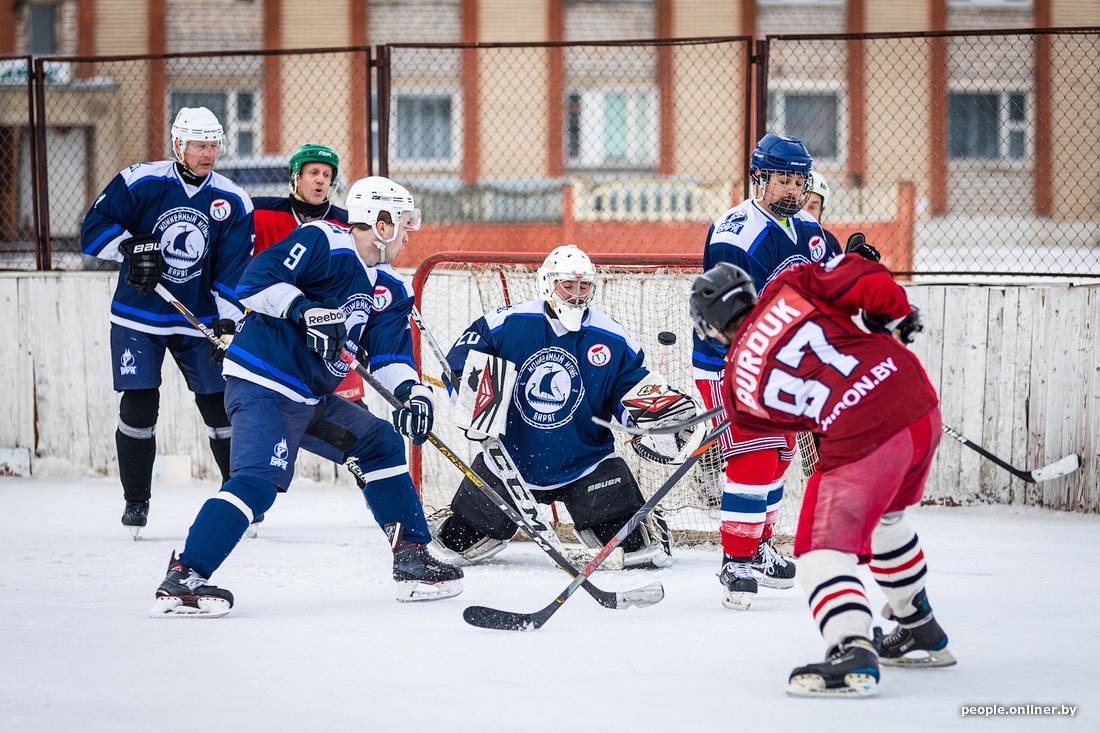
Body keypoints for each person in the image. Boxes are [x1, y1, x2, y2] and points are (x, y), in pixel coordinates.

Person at [150, 175, 463, 616]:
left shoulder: (392, 288)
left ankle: (411, 558)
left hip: (311, 397)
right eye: (404, 222)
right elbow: (255, 282)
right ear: (382, 224)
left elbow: (390, 356)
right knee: (257, 483)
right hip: (264, 383)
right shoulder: (322, 240)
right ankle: (184, 577)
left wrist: (412, 395)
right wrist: (304, 309)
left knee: (381, 444)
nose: (410, 233)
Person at [689, 257, 955, 697]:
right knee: (886, 521)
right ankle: (918, 625)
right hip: (915, 399)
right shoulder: (792, 284)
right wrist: (893, 312)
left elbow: (788, 422)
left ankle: (851, 650)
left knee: (819, 551)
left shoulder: (737, 387)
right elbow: (863, 275)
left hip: (863, 438)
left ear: (713, 327)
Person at [431, 244, 689, 569]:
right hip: (508, 463)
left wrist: (655, 416)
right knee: (455, 544)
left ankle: (645, 525)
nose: (576, 295)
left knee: (634, 549)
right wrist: (475, 399)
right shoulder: (507, 322)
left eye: (584, 287)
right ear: (547, 283)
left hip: (587, 463)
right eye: (568, 285)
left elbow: (626, 385)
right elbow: (460, 360)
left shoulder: (611, 336)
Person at [80, 106, 254, 539]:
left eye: (213, 145)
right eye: (199, 145)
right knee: (139, 405)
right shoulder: (141, 181)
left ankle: (240, 496)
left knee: (219, 404)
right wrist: (130, 248)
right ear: (178, 145)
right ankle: (136, 501)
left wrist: (228, 323)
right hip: (138, 315)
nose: (208, 153)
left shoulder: (233, 200)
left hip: (199, 319)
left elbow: (232, 271)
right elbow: (93, 230)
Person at [692, 133, 838, 609]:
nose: (793, 190)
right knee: (754, 456)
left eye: (799, 181)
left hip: (783, 365)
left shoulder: (808, 229)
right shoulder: (736, 233)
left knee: (779, 456)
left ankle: (757, 546)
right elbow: (727, 315)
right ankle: (735, 559)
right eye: (783, 180)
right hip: (731, 362)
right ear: (759, 178)